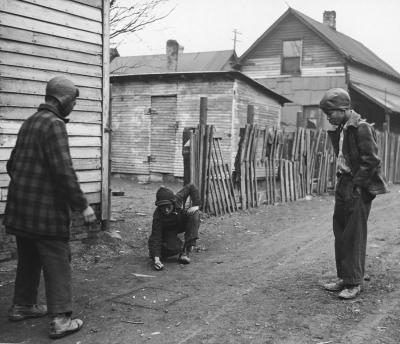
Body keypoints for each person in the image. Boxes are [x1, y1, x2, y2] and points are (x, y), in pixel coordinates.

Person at [4, 76, 96, 339]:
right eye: (74, 101)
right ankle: (60, 319)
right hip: (46, 214)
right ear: (64, 99)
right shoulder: (54, 125)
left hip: (21, 210)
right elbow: (63, 172)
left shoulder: (30, 122)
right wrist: (83, 205)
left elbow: (12, 166)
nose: (74, 106)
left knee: (29, 257)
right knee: (58, 261)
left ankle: (23, 305)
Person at [319, 88, 388, 299]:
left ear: (343, 108)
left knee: (354, 235)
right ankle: (344, 277)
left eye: (330, 112)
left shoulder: (361, 127)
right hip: (343, 184)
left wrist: (358, 186)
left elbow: (372, 161)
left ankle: (354, 282)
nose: (328, 117)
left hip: (357, 186)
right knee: (340, 232)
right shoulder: (342, 127)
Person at [148, 184, 201, 270]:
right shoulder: (157, 216)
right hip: (169, 231)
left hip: (181, 223)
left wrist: (196, 205)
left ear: (173, 202)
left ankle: (186, 251)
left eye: (168, 206)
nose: (165, 210)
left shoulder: (178, 198)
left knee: (196, 214)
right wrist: (156, 260)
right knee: (175, 247)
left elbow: (191, 187)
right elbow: (155, 237)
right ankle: (158, 253)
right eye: (162, 207)